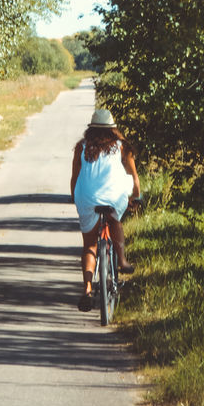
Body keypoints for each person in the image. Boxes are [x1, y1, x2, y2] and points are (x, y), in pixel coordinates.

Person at [70, 107, 140, 311]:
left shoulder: (81, 147)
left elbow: (75, 178)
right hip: (113, 195)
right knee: (114, 217)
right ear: (113, 129)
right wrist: (137, 197)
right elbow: (134, 179)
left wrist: (76, 198)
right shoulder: (121, 147)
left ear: (91, 129)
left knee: (89, 246)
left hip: (86, 197)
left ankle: (87, 289)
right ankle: (123, 261)